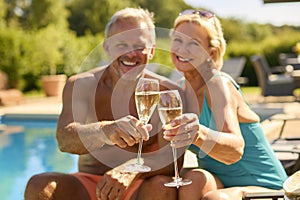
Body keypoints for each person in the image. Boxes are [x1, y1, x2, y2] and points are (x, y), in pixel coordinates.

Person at [25, 7, 184, 200]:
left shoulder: (167, 92)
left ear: (151, 50)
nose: (131, 53)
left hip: (141, 186)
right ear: (107, 47)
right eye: (121, 44)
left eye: (139, 45)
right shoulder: (82, 85)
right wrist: (104, 131)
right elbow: (64, 139)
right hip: (90, 184)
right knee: (39, 185)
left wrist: (131, 170)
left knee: (162, 187)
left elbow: (174, 158)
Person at [162, 9, 288, 200]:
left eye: (193, 43)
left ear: (210, 52)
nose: (182, 49)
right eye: (178, 40)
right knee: (193, 180)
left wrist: (197, 133)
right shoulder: (179, 89)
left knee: (215, 199)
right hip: (220, 183)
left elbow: (235, 150)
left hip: (263, 186)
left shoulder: (218, 84)